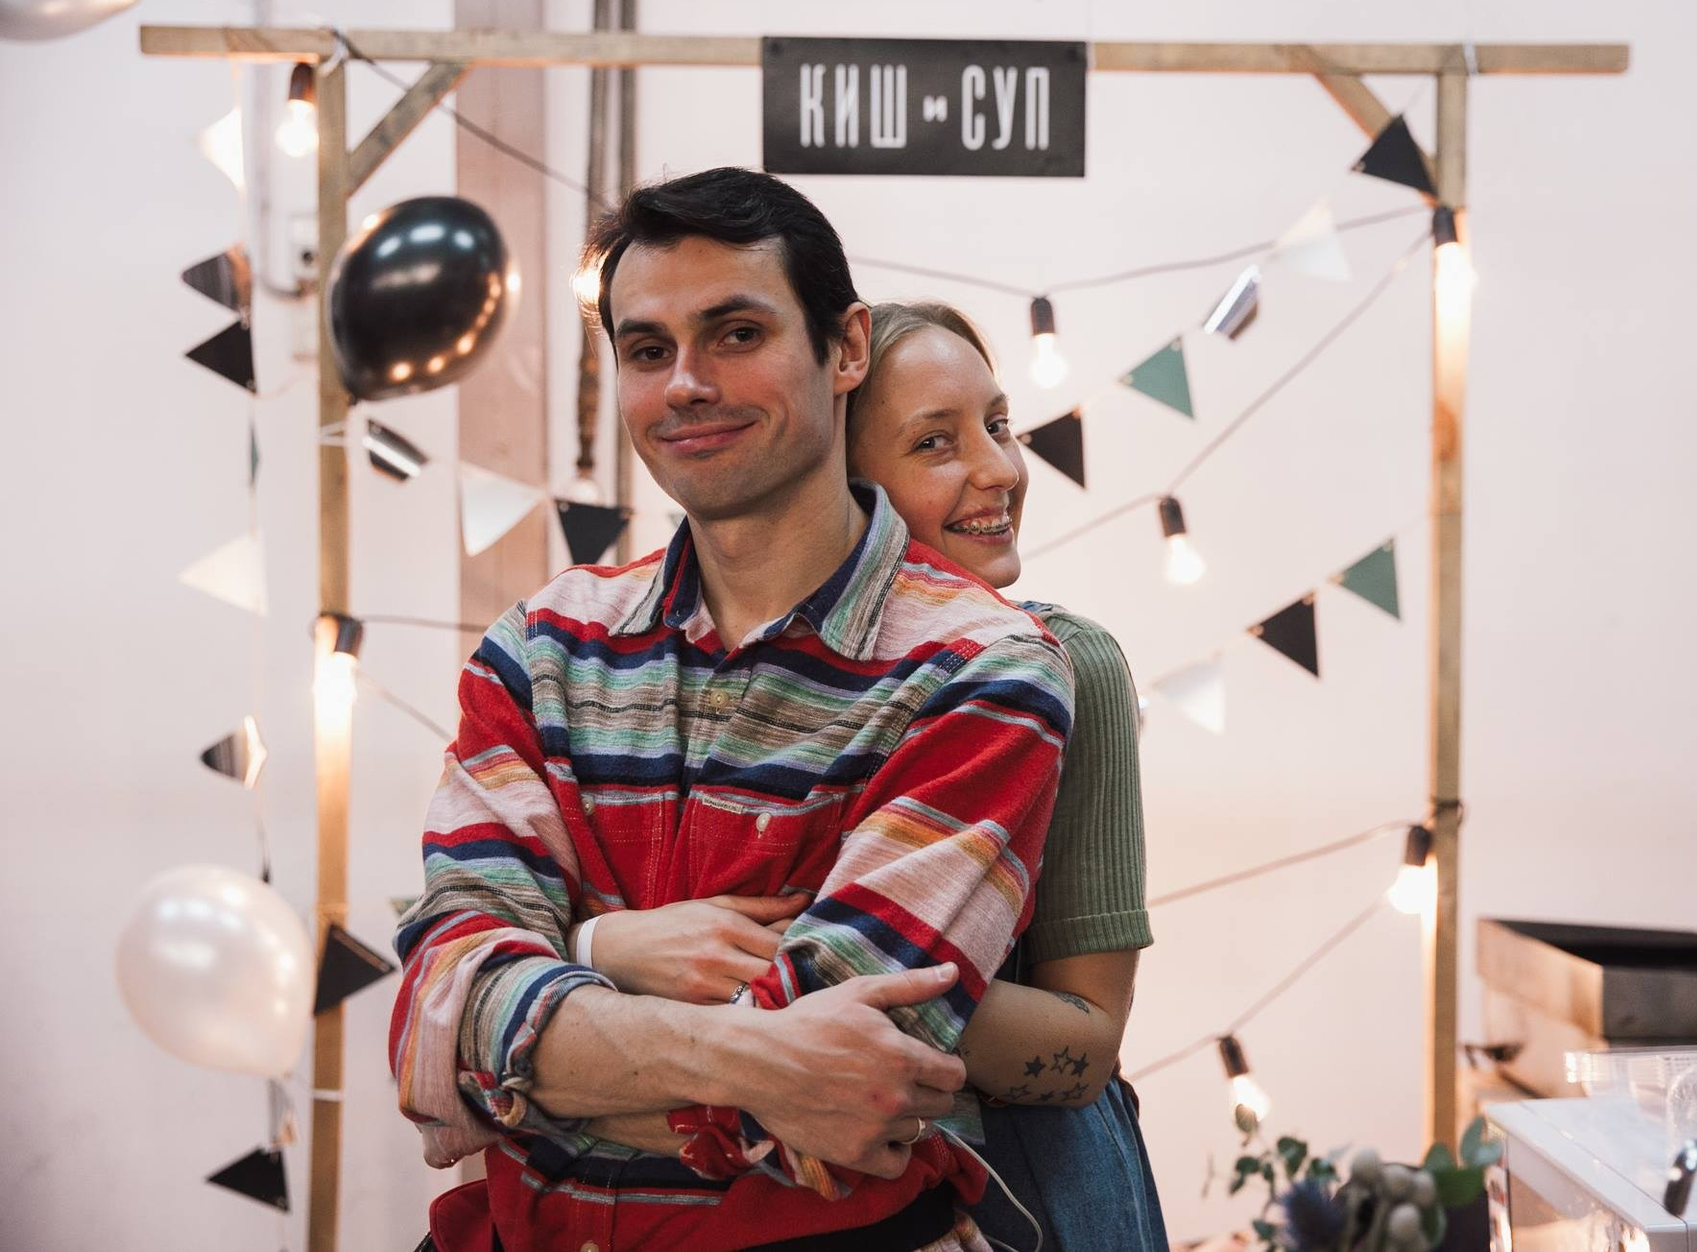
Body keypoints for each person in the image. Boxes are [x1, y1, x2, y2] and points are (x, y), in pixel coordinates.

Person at [389, 167, 1075, 1252]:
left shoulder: (982, 667)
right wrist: (744, 1054)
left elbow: (852, 1094)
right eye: (647, 350)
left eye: (737, 333)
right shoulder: (542, 647)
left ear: (845, 348)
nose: (686, 385)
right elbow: (437, 1019)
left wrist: (542, 1025)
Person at [847, 302, 1168, 1250]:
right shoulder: (762, 672)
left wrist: (811, 982)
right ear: (839, 482)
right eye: (936, 443)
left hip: (1026, 1185)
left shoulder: (1070, 667)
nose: (1000, 470)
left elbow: (1089, 1043)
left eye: (998, 425)